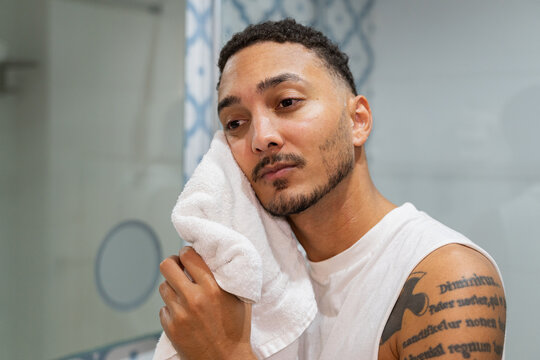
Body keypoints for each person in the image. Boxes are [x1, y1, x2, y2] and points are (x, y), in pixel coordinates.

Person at [157, 19, 506, 360]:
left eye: (287, 102)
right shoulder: (254, 280)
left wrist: (225, 353)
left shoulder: (448, 278)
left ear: (358, 121)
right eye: (235, 123)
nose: (261, 137)